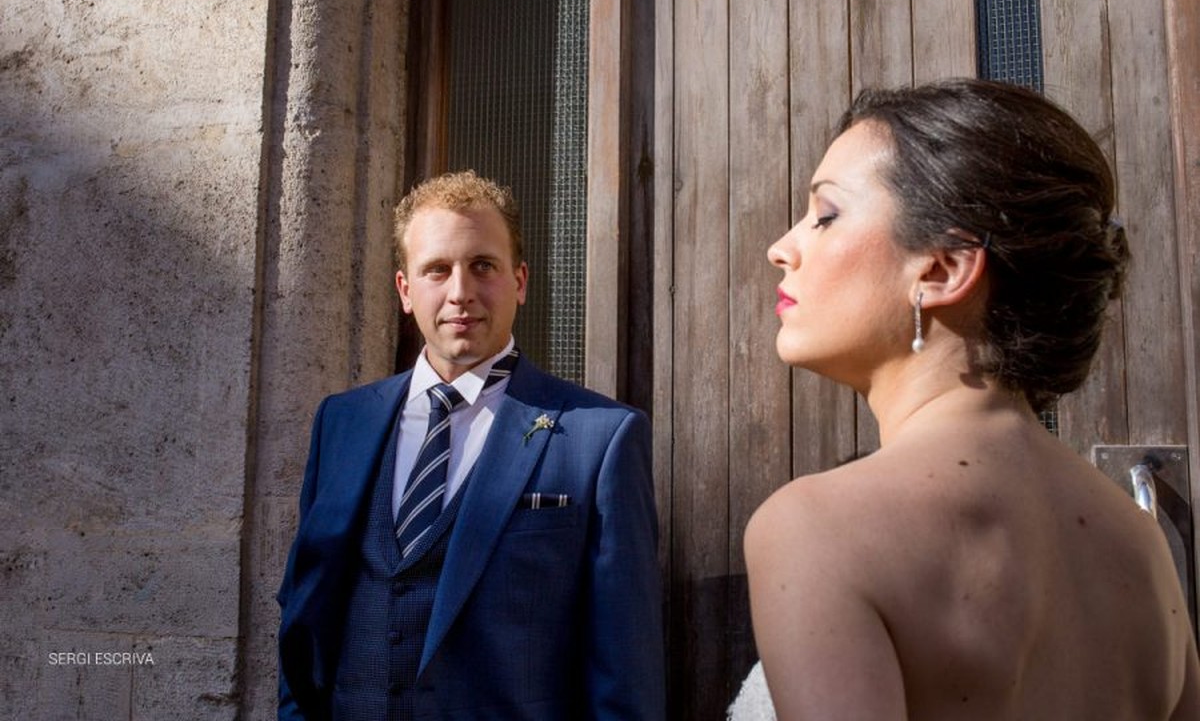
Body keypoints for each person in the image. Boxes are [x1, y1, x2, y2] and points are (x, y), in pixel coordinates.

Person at [735, 79, 1200, 719]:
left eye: (826, 215)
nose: (781, 249)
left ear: (943, 271)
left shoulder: (818, 529)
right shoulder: (1142, 550)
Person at [277, 171, 665, 720]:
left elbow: (626, 666)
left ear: (520, 282)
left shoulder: (601, 437)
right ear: (406, 291)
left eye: (482, 266)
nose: (460, 292)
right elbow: (304, 609)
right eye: (437, 269)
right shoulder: (342, 422)